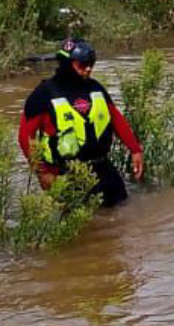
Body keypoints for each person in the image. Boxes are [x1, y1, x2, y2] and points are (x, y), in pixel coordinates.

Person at [18, 39, 144, 208]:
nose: (89, 69)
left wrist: (135, 150)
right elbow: (25, 137)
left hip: (102, 167)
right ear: (67, 64)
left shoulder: (96, 88)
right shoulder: (43, 94)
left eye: (91, 64)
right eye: (83, 65)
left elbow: (117, 119)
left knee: (122, 214)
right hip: (65, 172)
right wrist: (43, 172)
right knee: (81, 225)